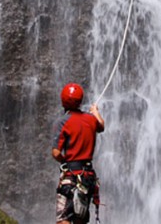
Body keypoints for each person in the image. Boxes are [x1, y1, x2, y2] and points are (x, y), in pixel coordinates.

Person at [51, 83, 105, 224]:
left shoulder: (62, 122)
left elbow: (56, 153)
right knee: (80, 218)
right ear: (80, 100)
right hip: (87, 178)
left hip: (71, 176)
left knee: (63, 218)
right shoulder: (90, 119)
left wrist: (64, 162)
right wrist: (95, 111)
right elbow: (101, 125)